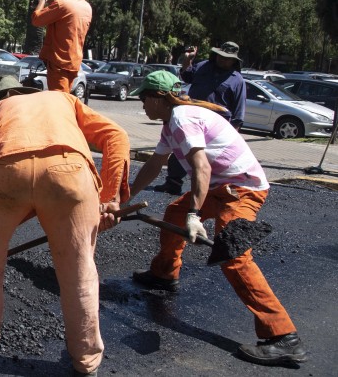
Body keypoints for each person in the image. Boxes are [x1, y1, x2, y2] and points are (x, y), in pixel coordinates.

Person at [0, 76, 130, 376]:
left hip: (6, 170)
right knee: (79, 270)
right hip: (69, 171)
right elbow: (117, 135)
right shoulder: (63, 99)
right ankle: (86, 360)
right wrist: (110, 198)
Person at [128, 71, 307, 367]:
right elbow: (155, 164)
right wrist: (126, 196)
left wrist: (194, 215)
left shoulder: (182, 118)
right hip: (222, 187)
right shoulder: (171, 123)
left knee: (233, 257)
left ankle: (283, 337)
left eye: (144, 98)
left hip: (242, 189)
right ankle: (164, 274)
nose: (142, 105)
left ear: (158, 98)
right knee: (174, 213)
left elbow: (201, 168)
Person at [155, 41, 246, 195]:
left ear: (233, 61)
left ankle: (211, 191)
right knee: (181, 151)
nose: (223, 60)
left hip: (215, 128)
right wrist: (188, 59)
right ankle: (173, 183)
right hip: (191, 120)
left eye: (227, 58)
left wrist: (233, 134)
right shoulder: (203, 66)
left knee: (209, 159)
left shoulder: (237, 80)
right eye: (221, 56)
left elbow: (238, 113)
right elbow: (186, 75)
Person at [31, 0, 92, 93]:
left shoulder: (63, 3)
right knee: (65, 95)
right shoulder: (87, 7)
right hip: (74, 61)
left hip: (59, 62)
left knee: (59, 99)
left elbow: (36, 20)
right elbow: (67, 22)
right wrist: (52, 3)